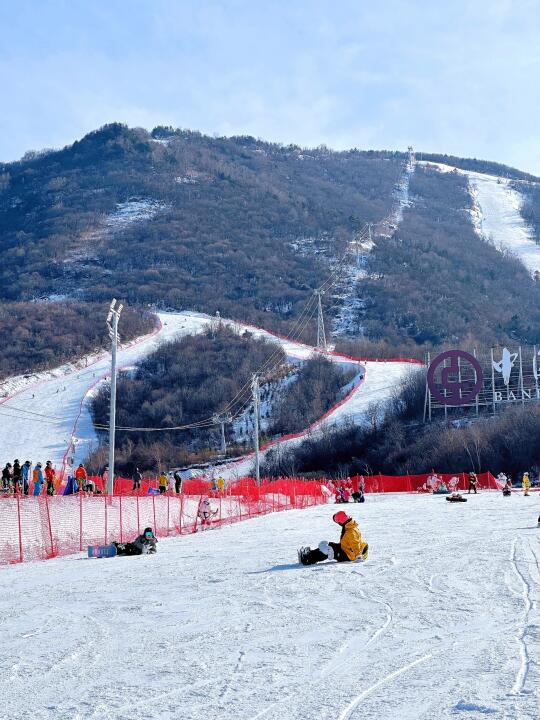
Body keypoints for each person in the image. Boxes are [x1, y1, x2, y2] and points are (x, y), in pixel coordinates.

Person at [298, 511, 369, 565]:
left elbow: (355, 543)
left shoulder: (350, 531)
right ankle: (311, 554)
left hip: (348, 555)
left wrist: (359, 556)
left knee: (328, 550)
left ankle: (308, 559)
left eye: (338, 522)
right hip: (346, 549)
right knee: (329, 545)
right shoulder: (349, 526)